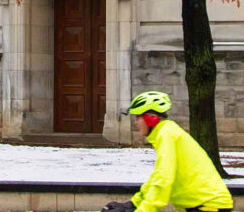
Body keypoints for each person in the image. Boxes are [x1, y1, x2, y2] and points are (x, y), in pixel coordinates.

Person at [101, 91, 235, 212]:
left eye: (138, 117)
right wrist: (133, 204)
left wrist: (144, 209)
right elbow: (157, 177)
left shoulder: (166, 134)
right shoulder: (167, 132)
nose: (136, 123)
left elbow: (163, 179)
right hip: (206, 206)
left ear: (150, 118)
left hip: (209, 206)